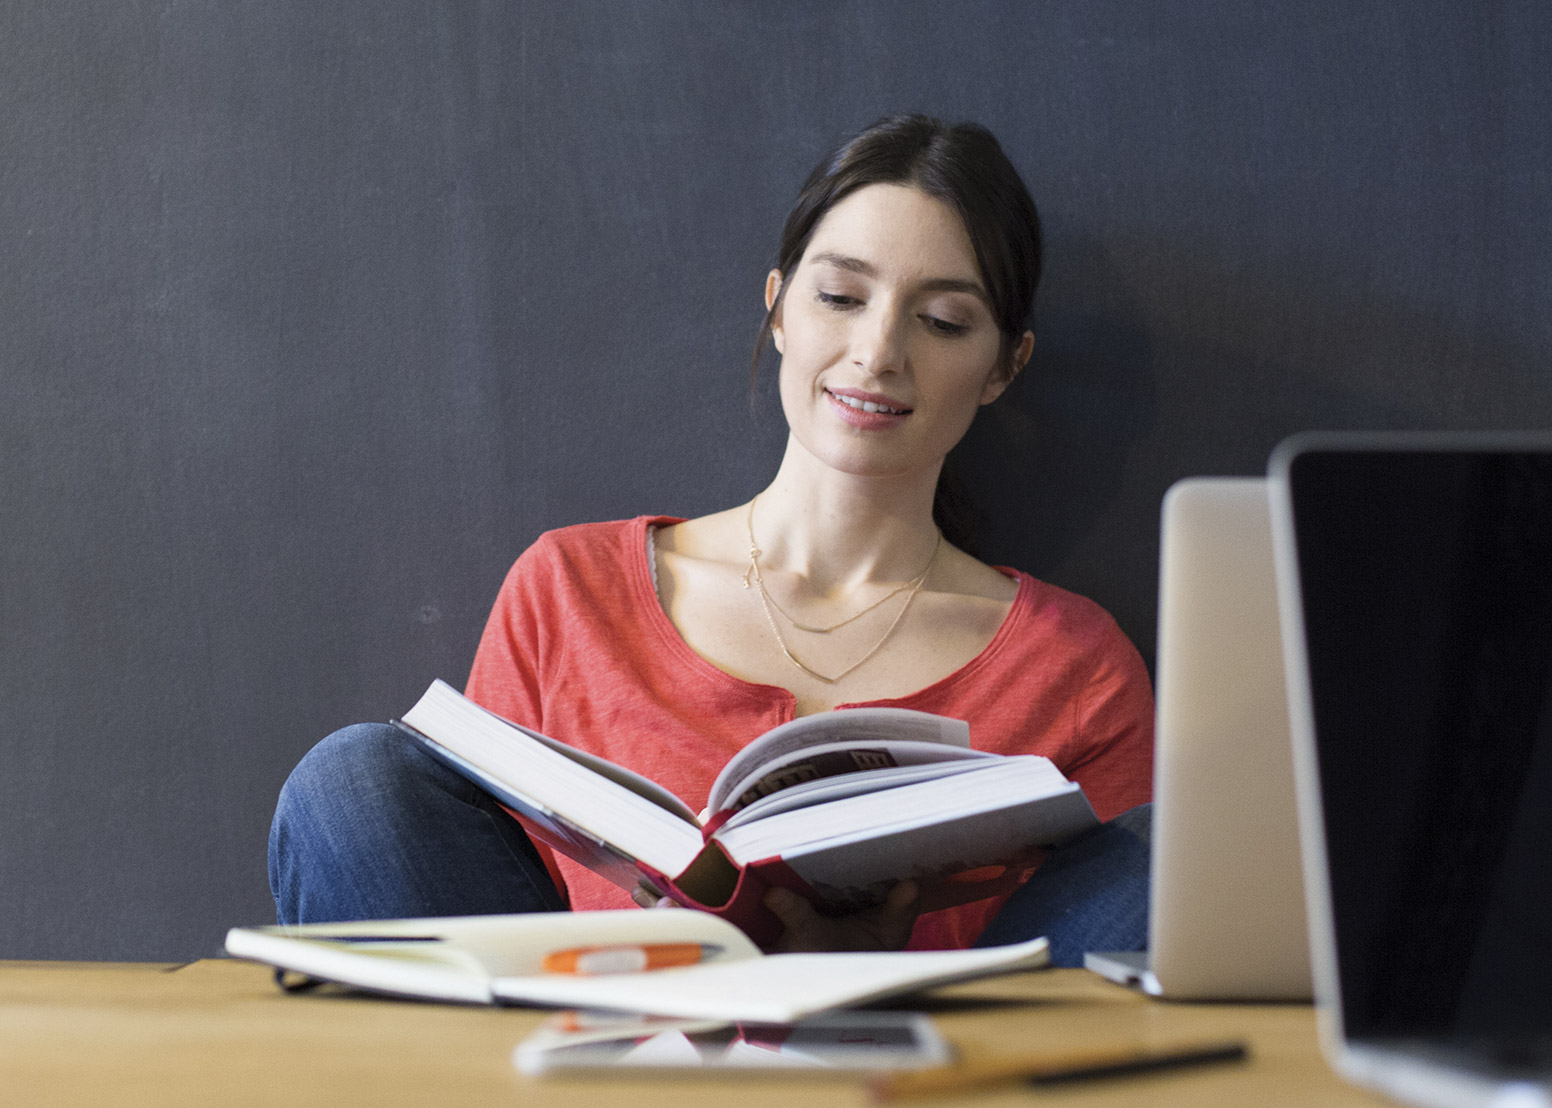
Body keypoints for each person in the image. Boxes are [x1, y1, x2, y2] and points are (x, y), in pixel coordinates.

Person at [268, 115, 1153, 964]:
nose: (878, 351)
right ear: (778, 310)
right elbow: (483, 888)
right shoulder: (571, 589)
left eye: (944, 321)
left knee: (1172, 849)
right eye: (840, 297)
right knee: (351, 785)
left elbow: (1106, 934)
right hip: (602, 1070)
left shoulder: (1076, 667)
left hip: (928, 1077)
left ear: (1006, 364)